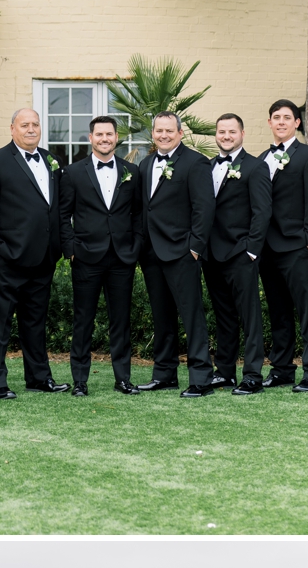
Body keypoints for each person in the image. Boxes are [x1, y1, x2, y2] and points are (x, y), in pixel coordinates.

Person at [0, 106, 69, 397]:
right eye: (24, 124)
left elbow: (57, 208)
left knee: (35, 323)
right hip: (6, 259)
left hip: (43, 259)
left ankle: (39, 377)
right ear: (12, 128)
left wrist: (59, 248)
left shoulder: (52, 160)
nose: (31, 129)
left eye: (35, 124)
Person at [59, 114, 143, 396]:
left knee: (121, 320)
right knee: (83, 319)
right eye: (99, 135)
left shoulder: (132, 171)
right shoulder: (72, 173)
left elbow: (138, 214)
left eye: (109, 134)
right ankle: (80, 380)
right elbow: (63, 215)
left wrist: (135, 246)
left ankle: (123, 379)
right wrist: (70, 250)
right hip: (85, 257)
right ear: (90, 138)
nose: (105, 139)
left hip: (122, 257)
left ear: (116, 138)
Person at [134, 110, 215, 395]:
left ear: (180, 133)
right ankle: (165, 373)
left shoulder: (196, 163)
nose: (164, 135)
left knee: (191, 316)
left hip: (182, 252)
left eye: (170, 131)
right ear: (153, 133)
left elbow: (204, 209)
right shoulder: (145, 164)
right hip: (152, 254)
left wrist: (194, 248)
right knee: (162, 316)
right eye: (159, 131)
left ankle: (201, 379)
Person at [259, 100, 308, 392]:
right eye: (276, 117)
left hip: (298, 247)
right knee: (278, 311)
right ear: (269, 123)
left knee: (307, 310)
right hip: (268, 248)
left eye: (287, 118)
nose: (281, 122)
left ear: (297, 123)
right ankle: (282, 369)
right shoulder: (262, 157)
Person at [201, 112, 271, 395]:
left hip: (241, 253)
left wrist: (252, 251)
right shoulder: (206, 167)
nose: (226, 136)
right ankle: (225, 371)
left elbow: (262, 211)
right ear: (216, 135)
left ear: (242, 134)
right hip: (212, 254)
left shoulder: (255, 167)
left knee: (249, 316)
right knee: (223, 316)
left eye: (232, 132)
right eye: (221, 132)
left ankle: (253, 375)